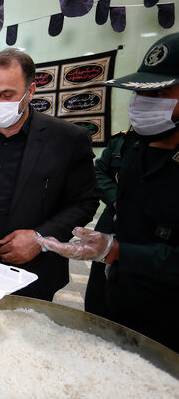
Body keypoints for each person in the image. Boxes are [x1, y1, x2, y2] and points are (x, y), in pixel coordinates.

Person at [38, 32, 179, 352]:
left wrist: (115, 251)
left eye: (160, 94)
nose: (143, 104)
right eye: (140, 93)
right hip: (115, 297)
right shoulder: (134, 148)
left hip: (166, 319)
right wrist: (102, 250)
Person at [0, 48, 99, 301]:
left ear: (30, 91)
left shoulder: (67, 139)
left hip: (30, 271)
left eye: (7, 95)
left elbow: (84, 202)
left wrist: (40, 238)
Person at [84, 128, 131, 318]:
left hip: (155, 233)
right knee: (99, 290)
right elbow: (100, 171)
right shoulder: (122, 141)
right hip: (113, 220)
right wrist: (116, 199)